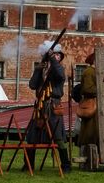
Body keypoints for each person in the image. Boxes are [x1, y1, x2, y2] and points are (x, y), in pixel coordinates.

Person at [26, 44, 71, 173]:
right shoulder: (43, 70)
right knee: (32, 136)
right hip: (40, 105)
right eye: (55, 54)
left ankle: (66, 165)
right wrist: (38, 70)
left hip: (53, 105)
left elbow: (60, 76)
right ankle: (28, 165)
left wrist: (51, 59)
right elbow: (33, 85)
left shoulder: (58, 69)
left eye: (58, 55)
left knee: (58, 137)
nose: (57, 56)